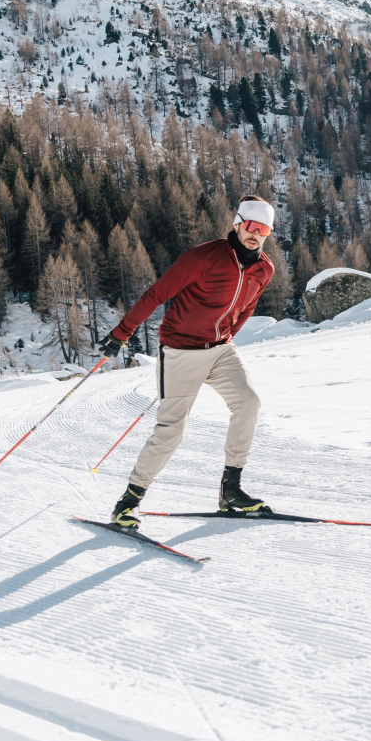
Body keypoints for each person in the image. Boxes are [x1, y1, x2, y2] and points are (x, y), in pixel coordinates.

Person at [102, 195, 279, 528]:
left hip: (221, 350)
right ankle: (128, 502)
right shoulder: (202, 257)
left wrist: (227, 335)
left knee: (249, 402)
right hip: (182, 351)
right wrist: (122, 332)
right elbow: (157, 294)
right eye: (252, 226)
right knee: (171, 431)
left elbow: (247, 308)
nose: (256, 234)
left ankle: (231, 491)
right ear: (238, 223)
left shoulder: (264, 269)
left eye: (264, 229)